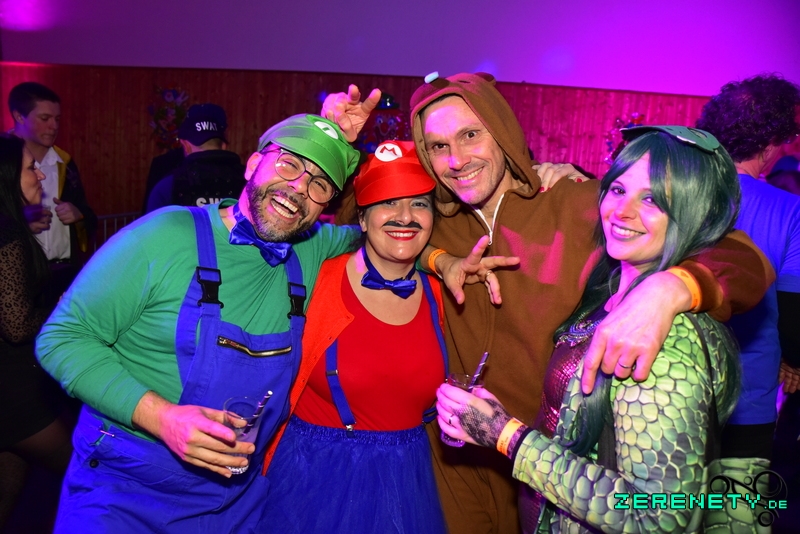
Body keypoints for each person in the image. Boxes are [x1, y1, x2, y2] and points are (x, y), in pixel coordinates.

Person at [321, 74, 772, 533]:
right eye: (438, 146)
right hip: (455, 458)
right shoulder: (431, 217)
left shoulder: (580, 203)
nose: (457, 159)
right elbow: (360, 226)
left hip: (554, 470)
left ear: (503, 132)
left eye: (471, 135)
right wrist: (435, 255)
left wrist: (673, 287)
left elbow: (744, 258)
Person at [35, 114, 364, 533]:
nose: (300, 186)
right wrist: (162, 418)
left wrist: (438, 259)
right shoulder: (164, 234)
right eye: (289, 163)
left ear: (326, 204)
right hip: (126, 488)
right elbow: (61, 338)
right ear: (253, 163)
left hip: (234, 502)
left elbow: (393, 228)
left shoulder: (313, 249)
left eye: (320, 184)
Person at [437, 126, 744, 532]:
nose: (622, 211)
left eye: (652, 199)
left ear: (695, 212)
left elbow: (658, 516)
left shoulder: (661, 337)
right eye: (617, 190)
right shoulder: (613, 287)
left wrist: (506, 434)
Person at [259, 140, 447, 533]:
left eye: (419, 204)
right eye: (387, 202)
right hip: (312, 483)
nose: (405, 217)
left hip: (408, 484)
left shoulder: (441, 296)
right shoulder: (318, 277)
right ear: (362, 218)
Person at [696, 74, 800, 463]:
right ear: (770, 144)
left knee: (670, 499)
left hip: (672, 392)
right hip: (748, 400)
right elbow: (792, 309)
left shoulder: (681, 193)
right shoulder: (791, 210)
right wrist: (794, 361)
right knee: (737, 498)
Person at [0, 136, 74, 527]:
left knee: (8, 483)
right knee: (83, 469)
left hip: (12, 390)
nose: (40, 175)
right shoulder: (8, 237)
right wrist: (61, 307)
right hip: (14, 395)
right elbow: (16, 325)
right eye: (30, 168)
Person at [8, 82, 97, 303]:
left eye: (57, 119)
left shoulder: (65, 163)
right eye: (45, 118)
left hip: (64, 272)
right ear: (19, 117)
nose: (54, 126)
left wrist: (78, 215)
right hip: (17, 275)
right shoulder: (4, 162)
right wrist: (21, 225)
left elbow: (89, 216)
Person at [145, 103, 245, 213]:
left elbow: (149, 221)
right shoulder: (250, 180)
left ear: (186, 146)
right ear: (223, 145)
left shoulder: (168, 182)